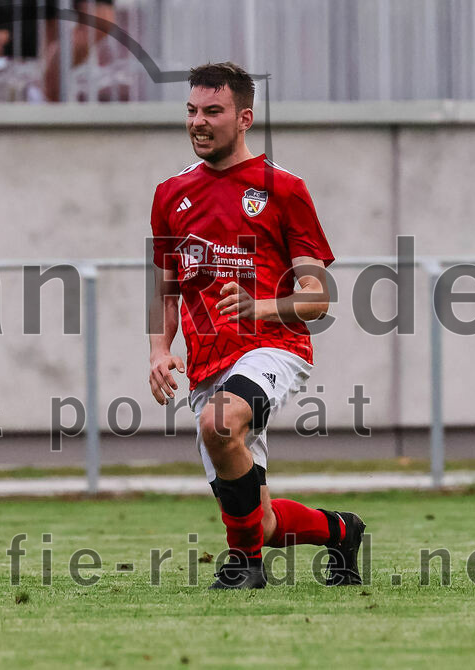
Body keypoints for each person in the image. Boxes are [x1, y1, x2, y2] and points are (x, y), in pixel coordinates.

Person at [147, 62, 365, 590]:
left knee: (220, 422)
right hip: (206, 364)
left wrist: (259, 308)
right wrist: (159, 350)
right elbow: (166, 288)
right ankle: (341, 531)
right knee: (258, 520)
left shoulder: (284, 189)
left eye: (212, 111)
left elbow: (317, 298)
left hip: (274, 345)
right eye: (192, 111)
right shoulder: (170, 194)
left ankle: (244, 568)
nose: (198, 122)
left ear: (244, 118)